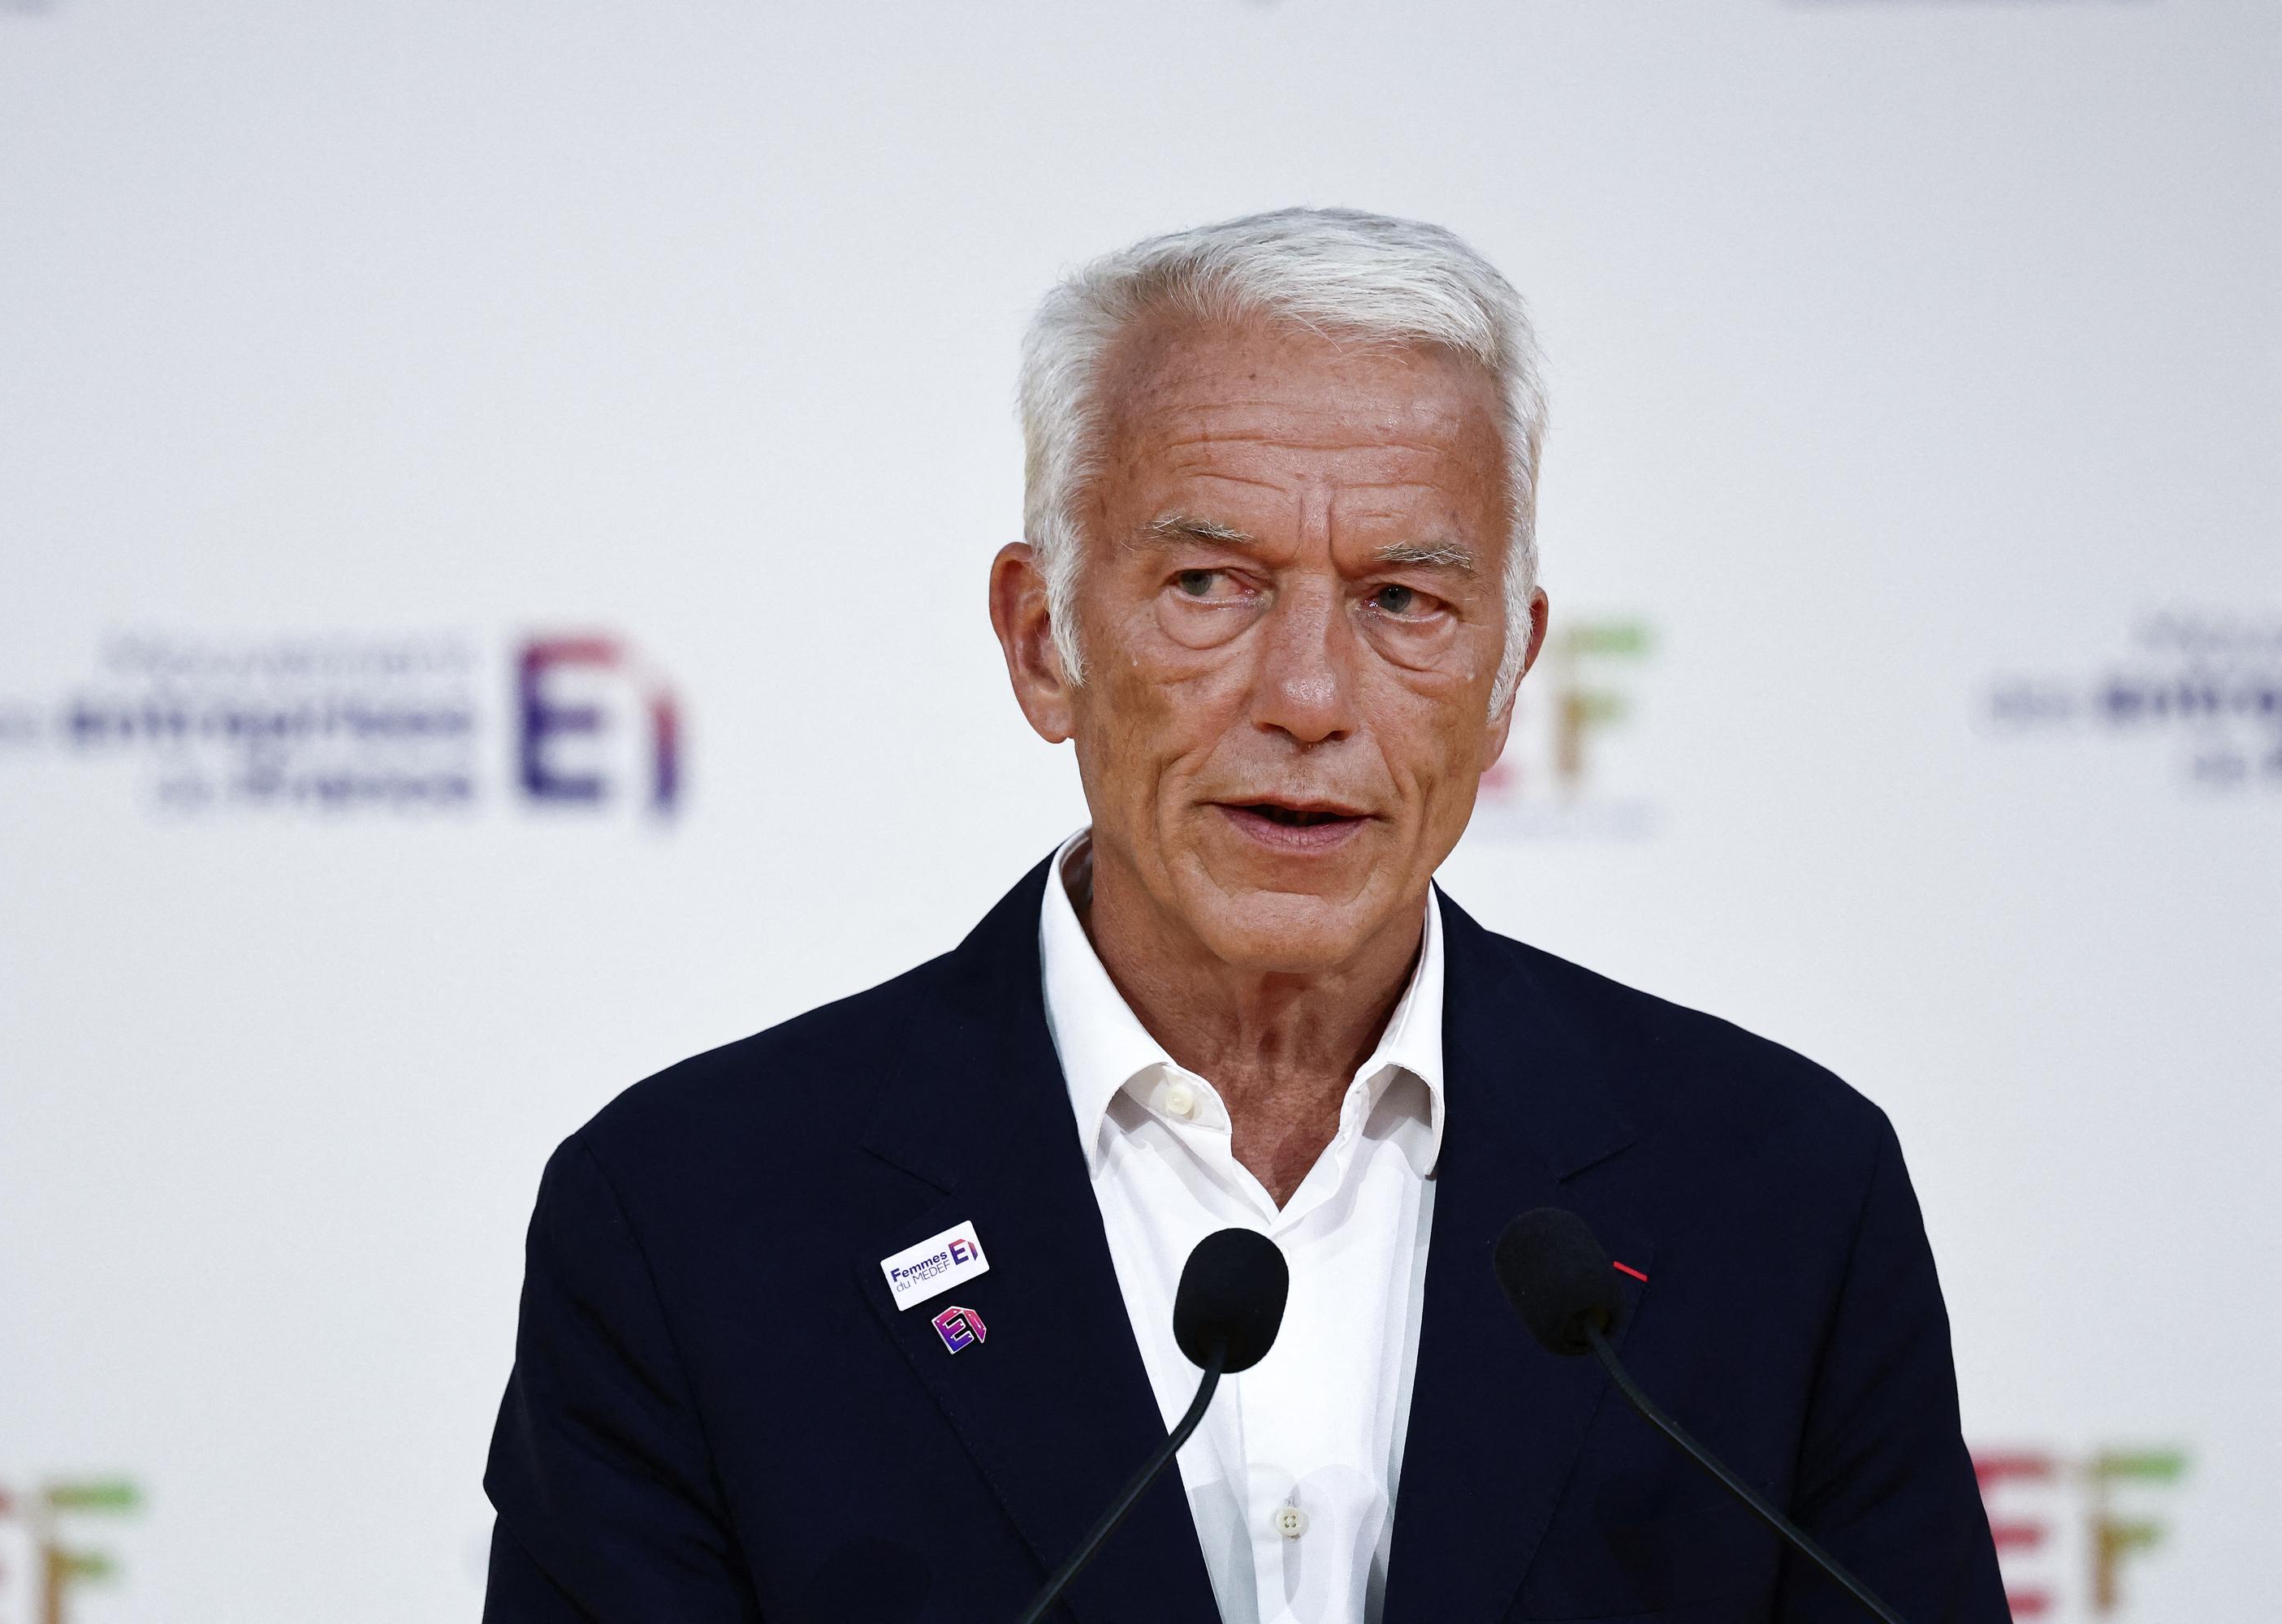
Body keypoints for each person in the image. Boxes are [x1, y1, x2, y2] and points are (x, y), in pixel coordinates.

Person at [482, 207, 2012, 1624]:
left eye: (1404, 601)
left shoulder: (1781, 1196)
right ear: (1042, 640)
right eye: (1211, 584)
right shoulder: (694, 1220)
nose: (1309, 697)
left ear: (1507, 675)